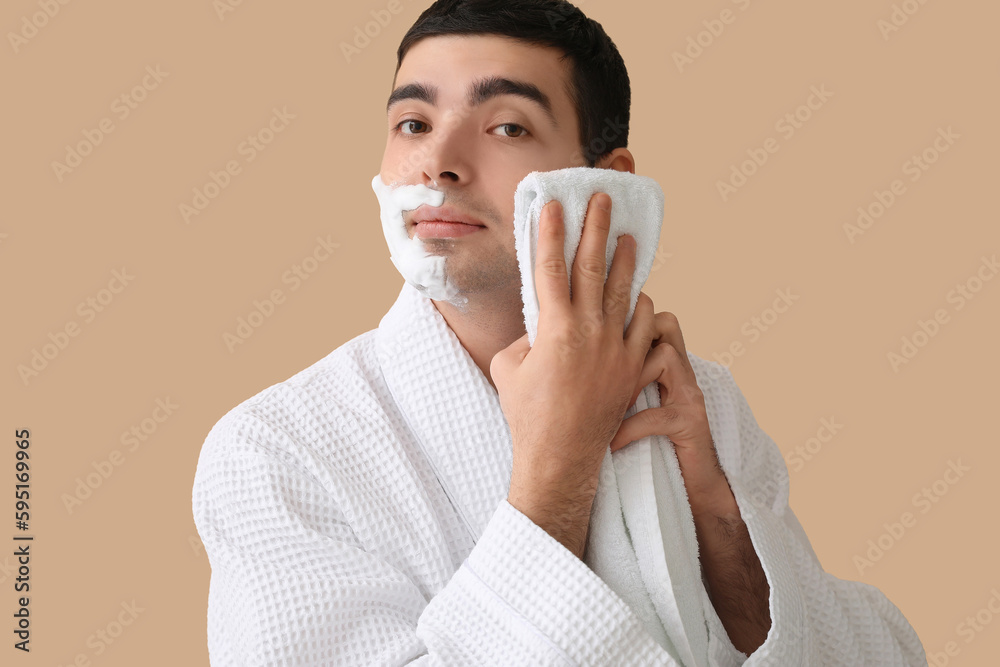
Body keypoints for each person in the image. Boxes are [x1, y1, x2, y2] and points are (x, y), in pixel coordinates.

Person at [191, 1, 926, 664]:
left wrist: (719, 521)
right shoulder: (274, 449)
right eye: (412, 123)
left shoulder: (700, 401)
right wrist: (560, 461)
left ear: (607, 182)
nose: (438, 162)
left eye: (507, 126)